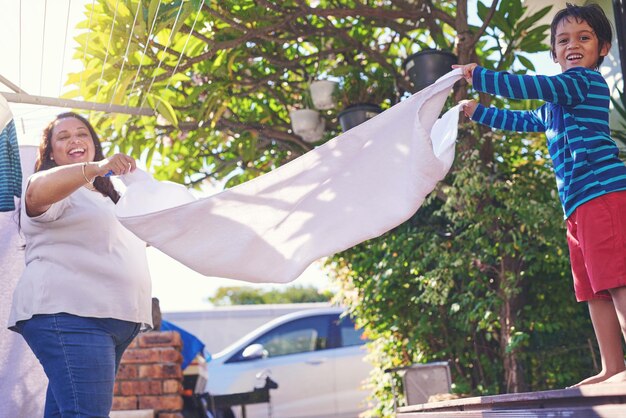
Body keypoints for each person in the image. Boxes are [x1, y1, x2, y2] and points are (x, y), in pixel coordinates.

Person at [453, 3, 626, 386]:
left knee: (617, 280)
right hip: (578, 207)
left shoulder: (582, 83)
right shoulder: (555, 105)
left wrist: (479, 76)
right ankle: (613, 368)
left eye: (584, 37)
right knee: (594, 290)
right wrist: (477, 111)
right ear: (554, 52)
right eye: (563, 40)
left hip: (604, 195)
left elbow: (534, 86)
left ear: (604, 49)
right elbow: (522, 119)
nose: (573, 45)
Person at [7, 112, 153, 416]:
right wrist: (96, 168)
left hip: (114, 319)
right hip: (72, 315)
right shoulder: (54, 187)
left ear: (93, 143)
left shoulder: (111, 197)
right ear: (50, 152)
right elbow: (36, 190)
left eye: (82, 133)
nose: (74, 139)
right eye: (63, 137)